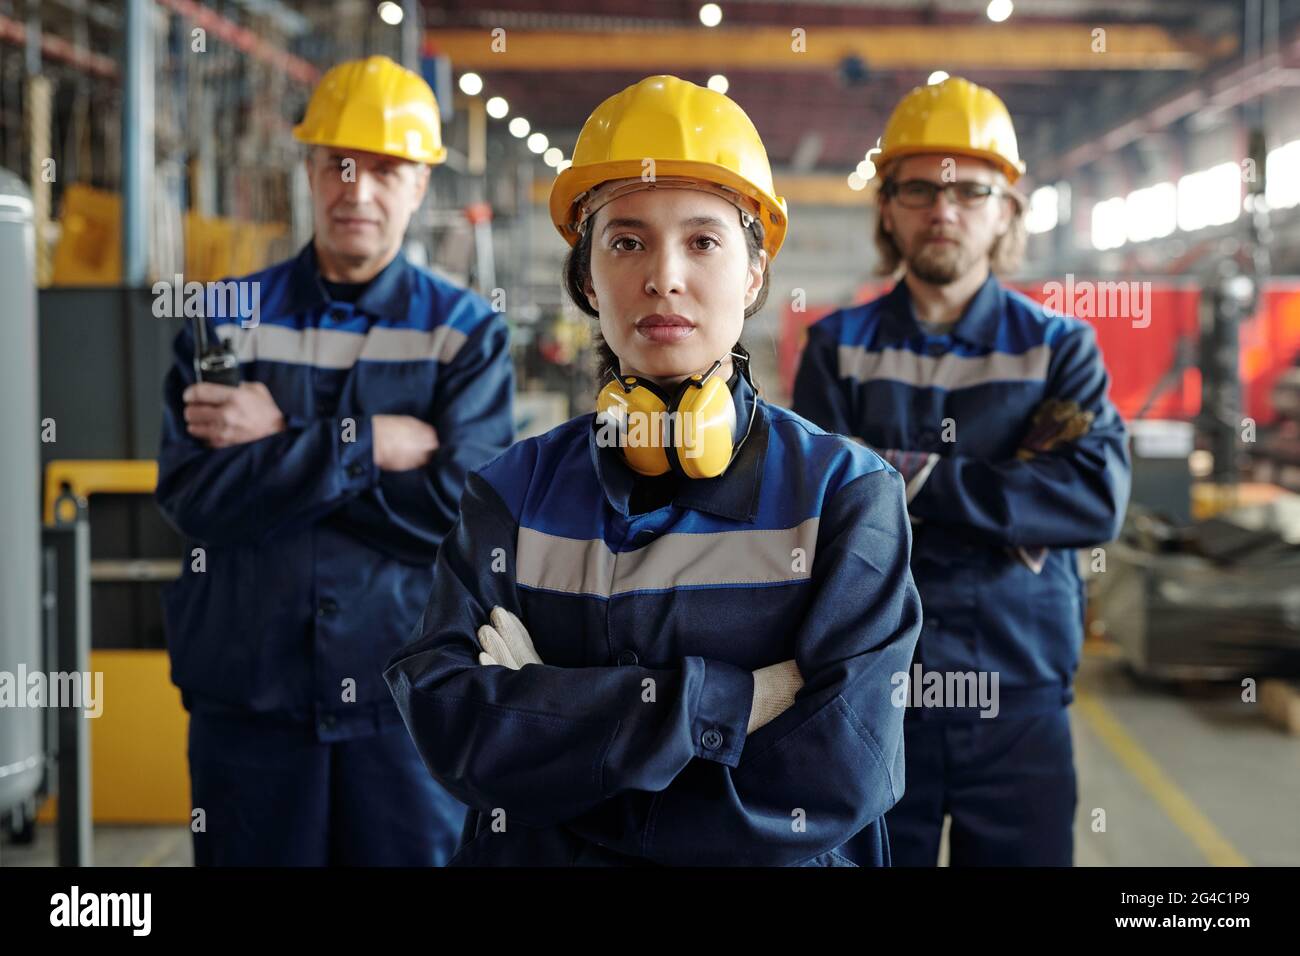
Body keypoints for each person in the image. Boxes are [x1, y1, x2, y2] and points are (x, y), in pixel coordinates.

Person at [385, 75, 921, 867]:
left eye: (703, 241)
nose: (663, 276)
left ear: (754, 273)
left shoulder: (844, 496)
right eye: (626, 241)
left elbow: (837, 773)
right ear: (586, 278)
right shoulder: (511, 491)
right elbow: (451, 723)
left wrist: (558, 725)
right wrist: (731, 704)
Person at [155, 55, 514, 866]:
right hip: (249, 702)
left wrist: (285, 438)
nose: (358, 190)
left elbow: (462, 511)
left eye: (386, 169)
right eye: (338, 166)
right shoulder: (225, 321)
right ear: (310, 171)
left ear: (420, 184)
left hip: (405, 705)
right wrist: (370, 443)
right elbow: (196, 497)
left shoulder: (463, 332)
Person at [793, 76, 1131, 866]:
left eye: (970, 191)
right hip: (876, 692)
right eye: (918, 188)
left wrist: (904, 480)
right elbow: (817, 517)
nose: (942, 211)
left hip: (1018, 691)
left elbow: (1092, 498)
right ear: (887, 206)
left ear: (1006, 210)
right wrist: (1008, 501)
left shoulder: (1059, 348)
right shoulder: (837, 348)